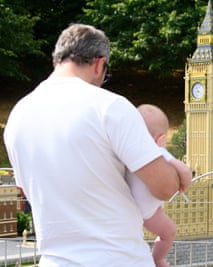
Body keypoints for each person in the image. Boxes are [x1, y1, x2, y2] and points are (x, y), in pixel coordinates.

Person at [3, 23, 192, 267]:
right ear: (99, 64)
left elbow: (29, 192)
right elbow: (165, 187)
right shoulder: (109, 107)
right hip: (118, 258)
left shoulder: (18, 117)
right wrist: (166, 158)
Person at [127, 104, 191, 267]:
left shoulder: (127, 149)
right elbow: (185, 171)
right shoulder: (156, 150)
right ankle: (157, 259)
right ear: (161, 138)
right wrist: (184, 184)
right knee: (168, 233)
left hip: (129, 205)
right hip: (148, 210)